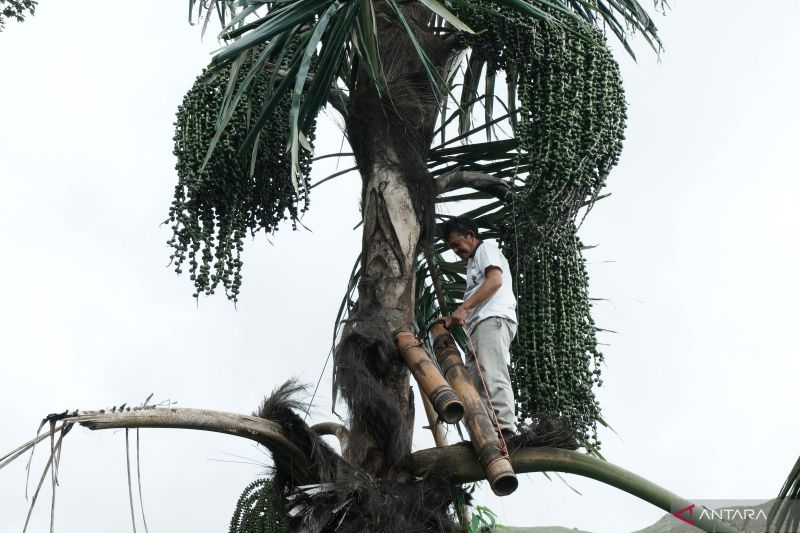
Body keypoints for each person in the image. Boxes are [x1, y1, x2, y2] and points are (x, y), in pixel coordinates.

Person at [441, 216, 518, 441]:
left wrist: (464, 309)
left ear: (471, 236)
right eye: (451, 247)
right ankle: (487, 433)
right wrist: (455, 315)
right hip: (477, 326)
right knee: (477, 381)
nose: (456, 250)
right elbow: (478, 294)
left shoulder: (486, 249)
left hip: (492, 319)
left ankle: (505, 428)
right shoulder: (472, 265)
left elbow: (495, 281)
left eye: (457, 244)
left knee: (491, 371)